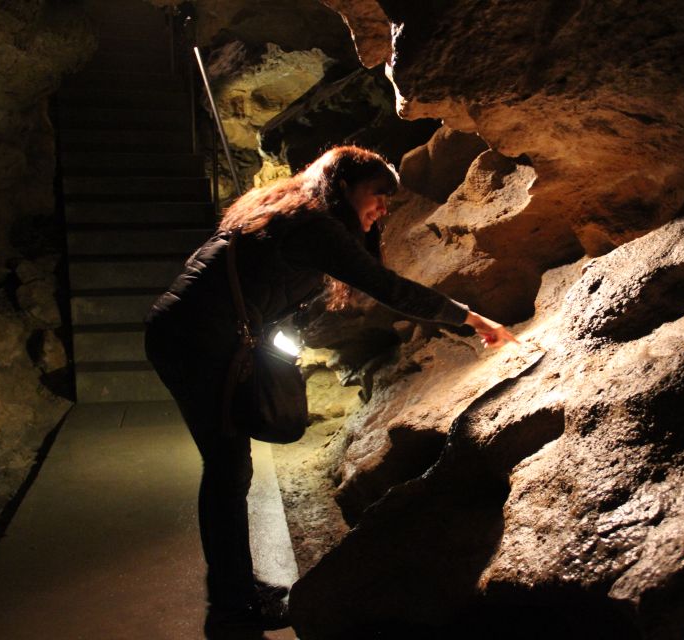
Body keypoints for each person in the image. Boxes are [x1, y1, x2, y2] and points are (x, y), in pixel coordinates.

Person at [144, 145, 515, 638]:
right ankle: (231, 609)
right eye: (378, 194)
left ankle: (237, 590)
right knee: (227, 468)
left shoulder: (286, 207)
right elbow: (387, 288)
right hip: (196, 340)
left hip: (184, 331)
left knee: (229, 467)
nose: (383, 207)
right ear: (343, 186)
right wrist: (470, 318)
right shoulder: (312, 223)